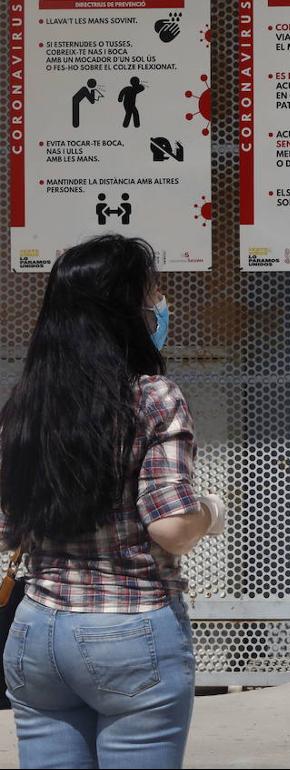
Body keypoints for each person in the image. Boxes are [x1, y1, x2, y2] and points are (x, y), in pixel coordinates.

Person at [0, 235, 227, 769]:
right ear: (124, 308)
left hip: (36, 629)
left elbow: (12, 527)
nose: (159, 304)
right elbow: (170, 526)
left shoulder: (25, 404)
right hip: (131, 626)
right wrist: (211, 513)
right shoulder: (151, 397)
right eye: (152, 293)